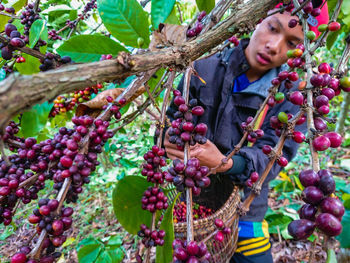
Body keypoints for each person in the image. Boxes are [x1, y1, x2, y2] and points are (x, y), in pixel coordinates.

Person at [163, 1, 329, 262]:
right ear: (256, 21)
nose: (274, 46)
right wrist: (167, 141)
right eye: (273, 28)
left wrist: (227, 163)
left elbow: (275, 157)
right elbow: (170, 120)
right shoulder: (203, 67)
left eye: (292, 44)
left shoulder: (292, 97)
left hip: (246, 207)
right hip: (192, 200)